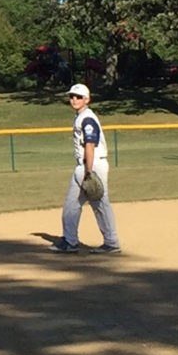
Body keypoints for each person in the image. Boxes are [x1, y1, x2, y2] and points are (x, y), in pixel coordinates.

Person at [54, 82, 119, 253]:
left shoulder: (87, 118)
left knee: (100, 203)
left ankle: (111, 243)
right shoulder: (81, 116)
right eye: (72, 96)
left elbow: (90, 145)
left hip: (92, 164)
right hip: (85, 166)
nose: (74, 99)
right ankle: (70, 241)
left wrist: (89, 172)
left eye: (78, 97)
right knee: (72, 204)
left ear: (87, 99)